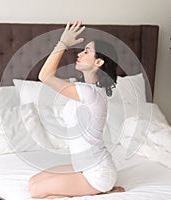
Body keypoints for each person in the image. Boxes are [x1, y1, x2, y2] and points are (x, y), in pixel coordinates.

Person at [28, 21, 125, 199]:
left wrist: (63, 43)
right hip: (84, 166)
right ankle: (101, 189)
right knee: (33, 182)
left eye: (86, 51)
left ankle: (100, 188)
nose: (80, 53)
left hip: (96, 173)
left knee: (36, 191)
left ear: (98, 61)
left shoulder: (90, 93)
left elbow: (44, 76)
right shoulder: (83, 88)